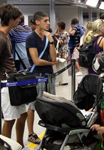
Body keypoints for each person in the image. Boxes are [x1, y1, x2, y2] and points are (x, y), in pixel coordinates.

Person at [0, 4, 27, 147]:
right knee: (9, 120)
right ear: (11, 20)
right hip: (5, 84)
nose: (19, 22)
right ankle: (6, 147)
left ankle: (19, 144)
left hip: (13, 82)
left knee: (23, 115)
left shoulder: (6, 35)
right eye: (18, 19)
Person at [25, 11, 58, 144]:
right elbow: (36, 61)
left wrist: (50, 40)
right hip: (37, 75)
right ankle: (31, 133)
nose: (48, 23)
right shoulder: (31, 38)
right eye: (45, 20)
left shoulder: (48, 37)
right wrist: (51, 63)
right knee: (33, 104)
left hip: (49, 74)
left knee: (51, 102)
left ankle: (51, 129)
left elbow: (53, 57)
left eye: (48, 20)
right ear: (37, 22)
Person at [53, 21, 70, 85]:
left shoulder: (65, 34)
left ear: (60, 27)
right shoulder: (61, 33)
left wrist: (56, 39)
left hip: (63, 50)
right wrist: (57, 30)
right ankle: (61, 80)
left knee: (62, 65)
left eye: (58, 27)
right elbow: (54, 34)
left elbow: (61, 42)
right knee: (59, 66)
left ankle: (64, 80)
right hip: (61, 50)